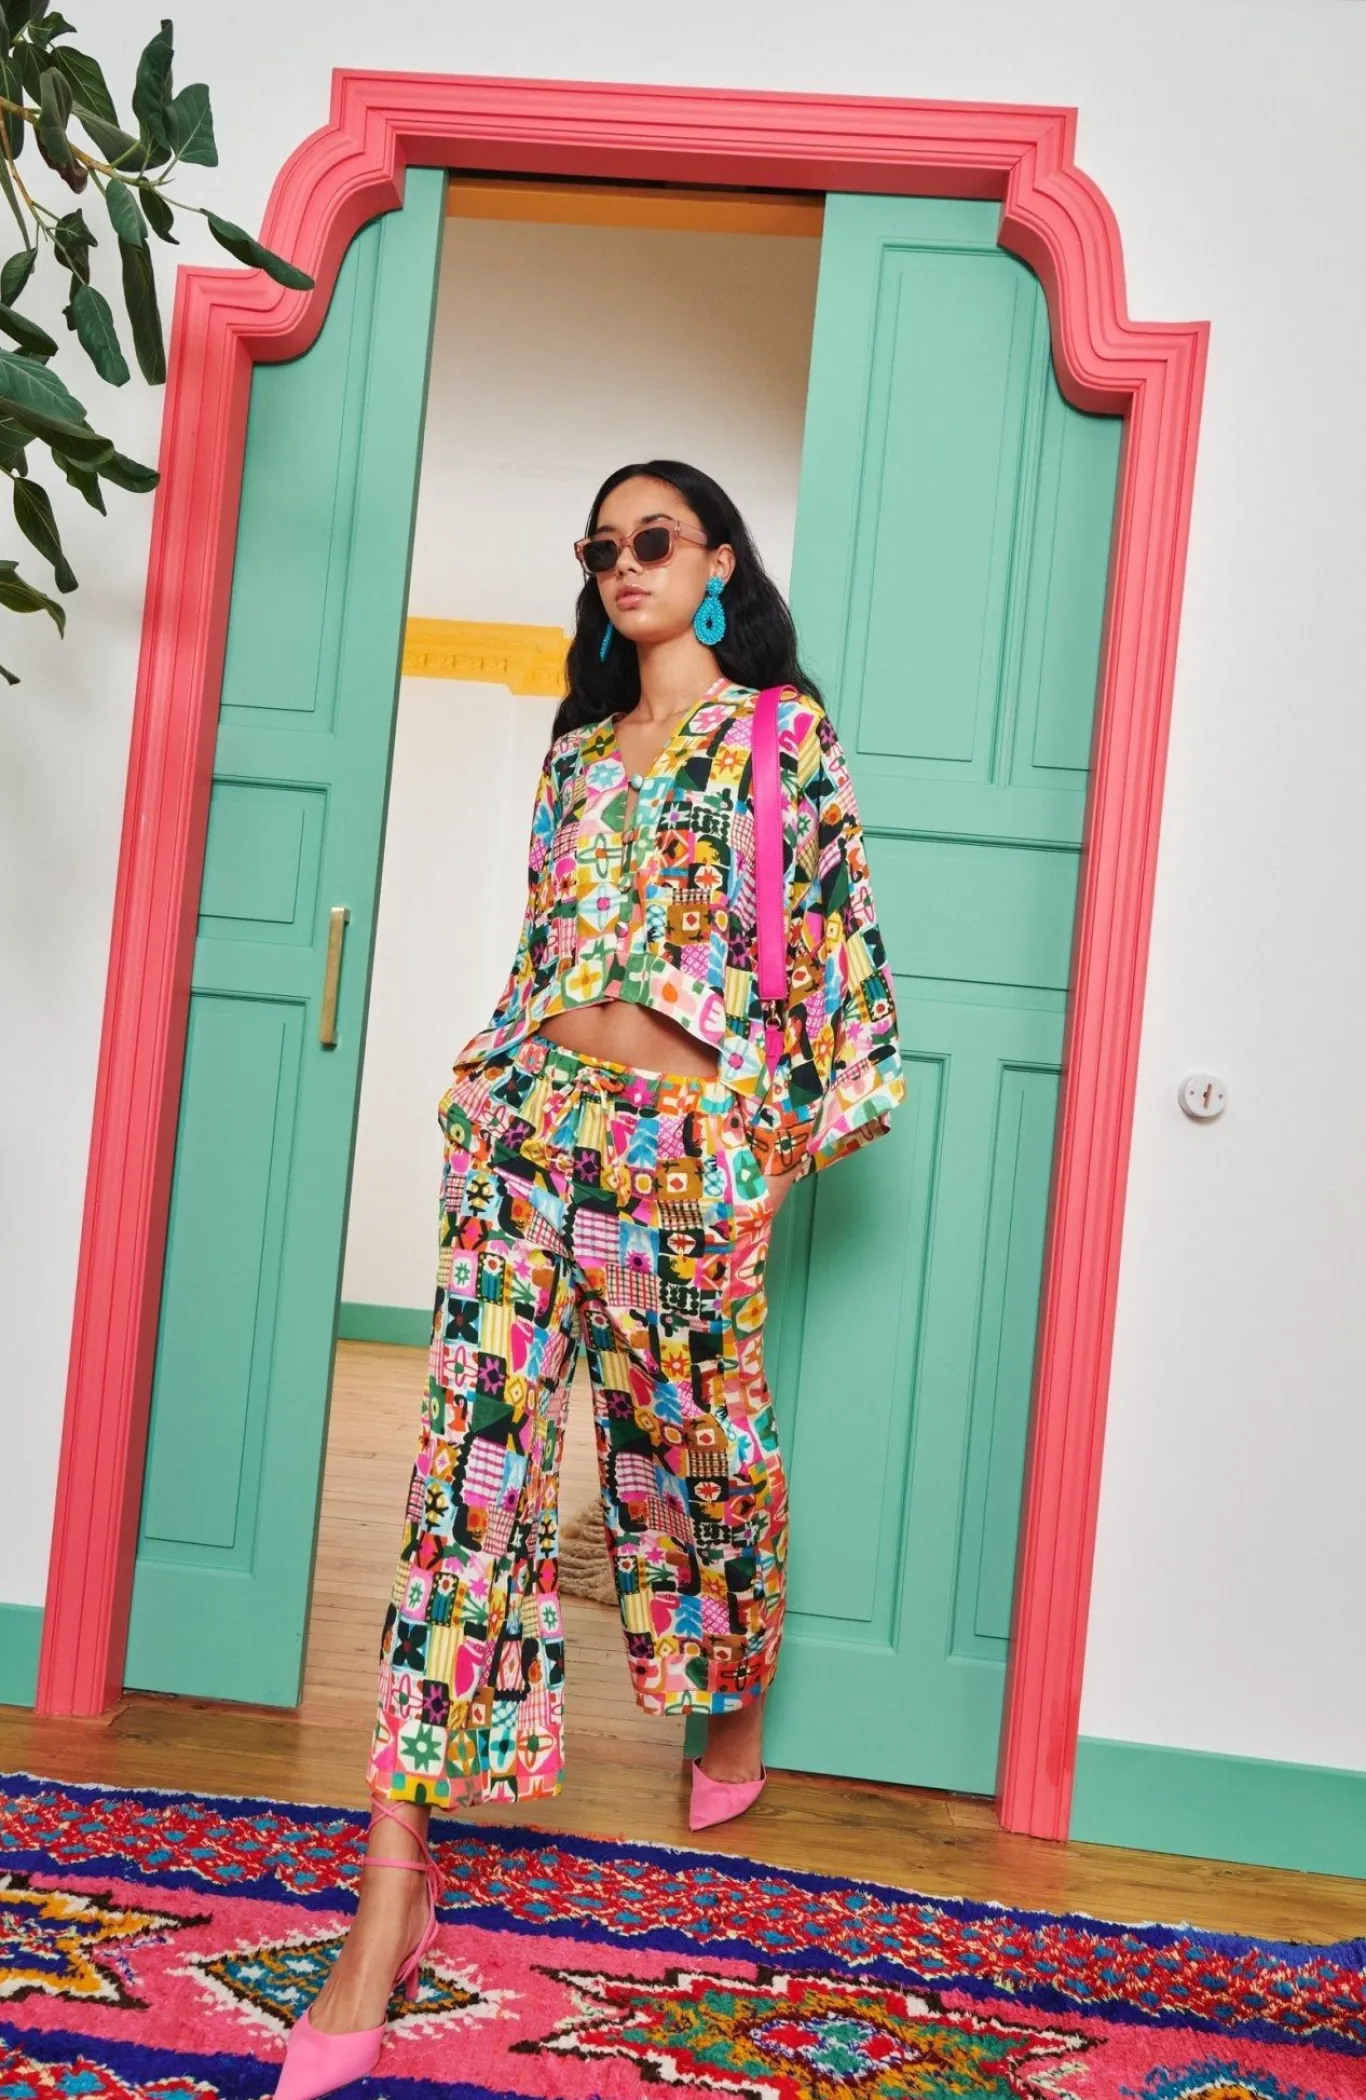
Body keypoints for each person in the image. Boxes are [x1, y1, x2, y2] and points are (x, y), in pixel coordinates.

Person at [274, 460, 904, 2099]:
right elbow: (547, 947)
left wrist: (762, 1156)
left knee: (703, 1447)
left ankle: (728, 1681)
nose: (623, 565)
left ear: (716, 565)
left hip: (685, 1148)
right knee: (463, 1481)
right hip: (526, 1129)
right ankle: (390, 1889)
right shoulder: (571, 753)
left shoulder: (781, 739)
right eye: (601, 546)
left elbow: (836, 960)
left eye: (653, 541)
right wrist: (485, 1078)